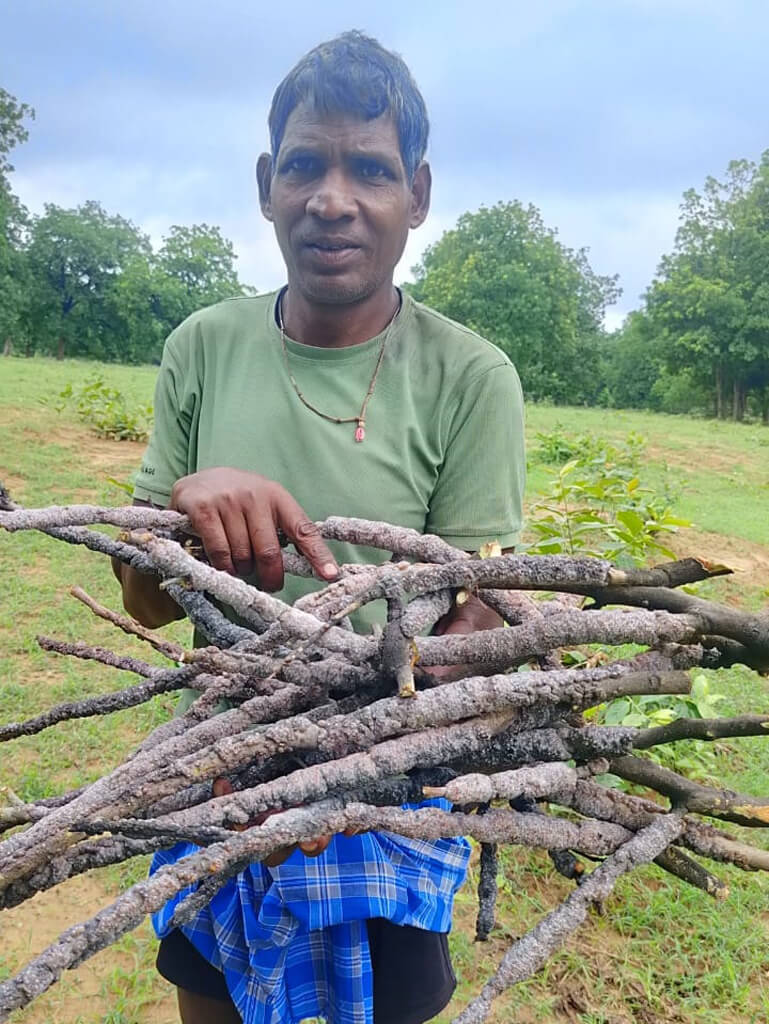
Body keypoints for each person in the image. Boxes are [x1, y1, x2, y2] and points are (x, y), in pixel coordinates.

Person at [114, 30, 525, 1024]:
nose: (332, 197)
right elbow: (139, 598)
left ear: (416, 195)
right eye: (305, 163)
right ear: (266, 182)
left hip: (387, 803)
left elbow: (489, 618)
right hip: (217, 776)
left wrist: (339, 748)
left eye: (370, 169)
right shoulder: (202, 346)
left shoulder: (470, 375)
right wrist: (184, 517)